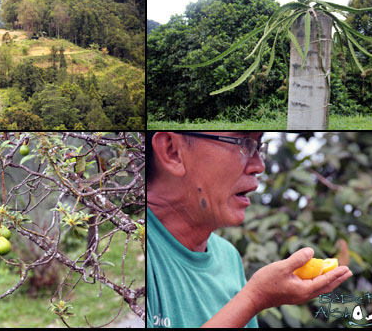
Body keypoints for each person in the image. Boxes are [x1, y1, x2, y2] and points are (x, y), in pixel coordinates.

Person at [147, 132, 352, 328]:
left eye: (258, 146)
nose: (259, 166)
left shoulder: (227, 257)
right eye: (244, 144)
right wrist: (254, 299)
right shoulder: (136, 249)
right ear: (172, 151)